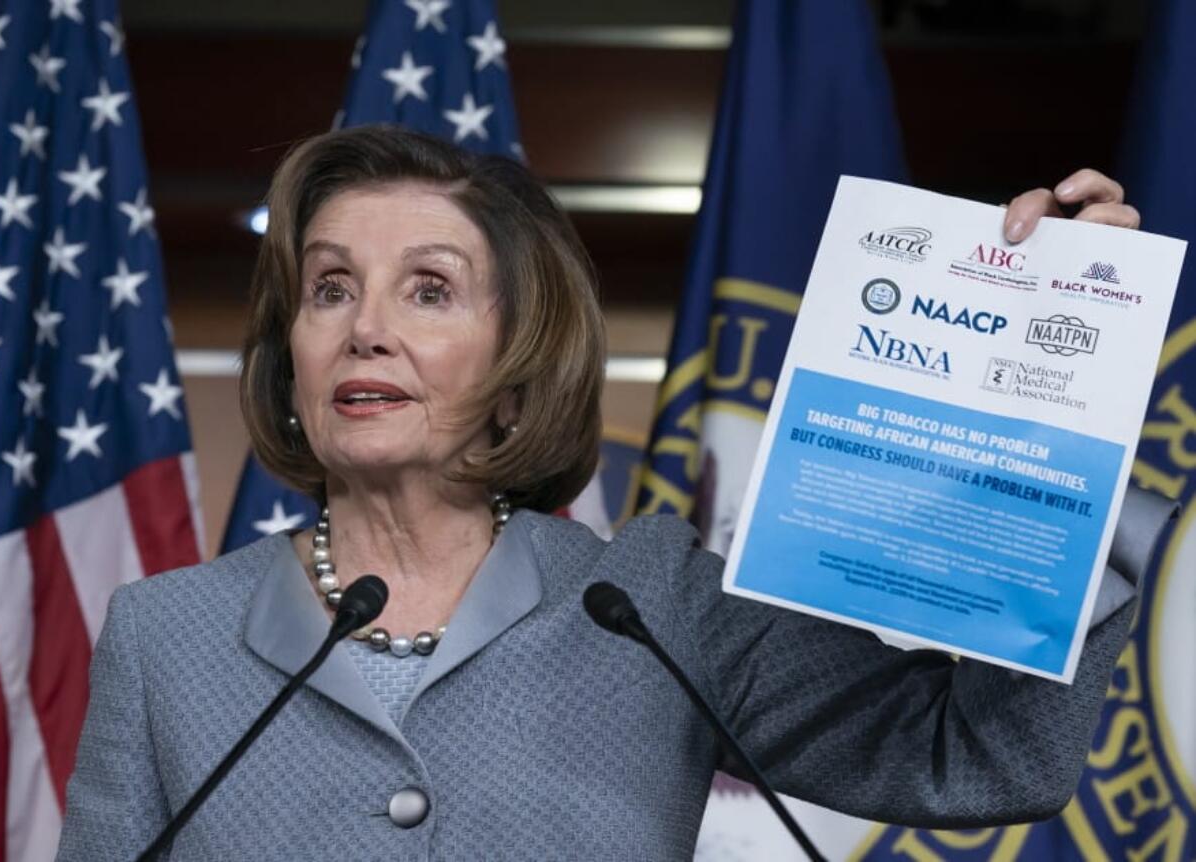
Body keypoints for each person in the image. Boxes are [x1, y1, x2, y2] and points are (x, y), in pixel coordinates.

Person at [56, 125, 1153, 860]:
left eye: (428, 288)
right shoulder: (165, 636)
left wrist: (1060, 404)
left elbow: (974, 758)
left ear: (517, 364)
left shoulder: (650, 600)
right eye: (329, 286)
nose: (365, 325)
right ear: (291, 355)